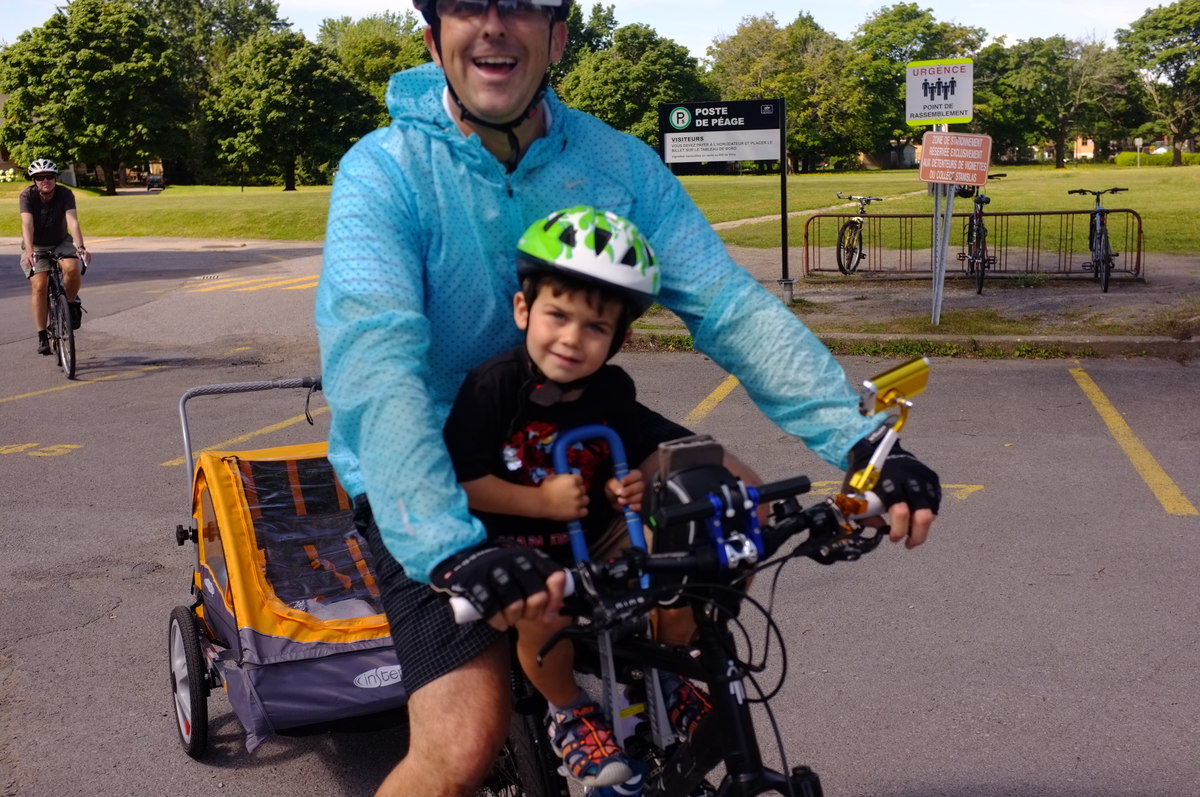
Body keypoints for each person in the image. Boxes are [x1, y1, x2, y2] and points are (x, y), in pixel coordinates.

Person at [313, 1, 941, 795]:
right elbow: (377, 361)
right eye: (469, 4)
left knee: (734, 500)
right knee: (459, 748)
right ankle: (562, 706)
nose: (495, 25)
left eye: (520, 5)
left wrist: (863, 442)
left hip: (580, 427)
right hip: (437, 465)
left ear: (557, 35)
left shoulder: (617, 163)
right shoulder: (385, 170)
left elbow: (727, 304)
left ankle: (658, 678)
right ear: (435, 38)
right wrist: (448, 545)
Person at [443, 206, 714, 788]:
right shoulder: (494, 386)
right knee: (543, 610)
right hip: (518, 545)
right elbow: (460, 479)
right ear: (523, 309)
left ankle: (665, 676)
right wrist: (541, 504)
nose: (571, 339)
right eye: (558, 316)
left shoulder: (613, 389)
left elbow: (621, 459)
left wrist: (622, 487)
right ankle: (568, 711)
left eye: (595, 328)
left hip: (593, 535)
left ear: (620, 338)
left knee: (679, 563)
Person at [18, 159, 90, 355]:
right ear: (34, 180)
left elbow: (72, 221)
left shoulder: (65, 193)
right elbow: (27, 225)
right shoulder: (27, 196)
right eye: (40, 177)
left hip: (60, 242)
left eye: (49, 176)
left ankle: (71, 304)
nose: (45, 181)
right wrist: (30, 250)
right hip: (36, 245)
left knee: (72, 268)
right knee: (39, 285)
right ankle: (42, 335)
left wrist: (81, 246)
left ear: (56, 178)